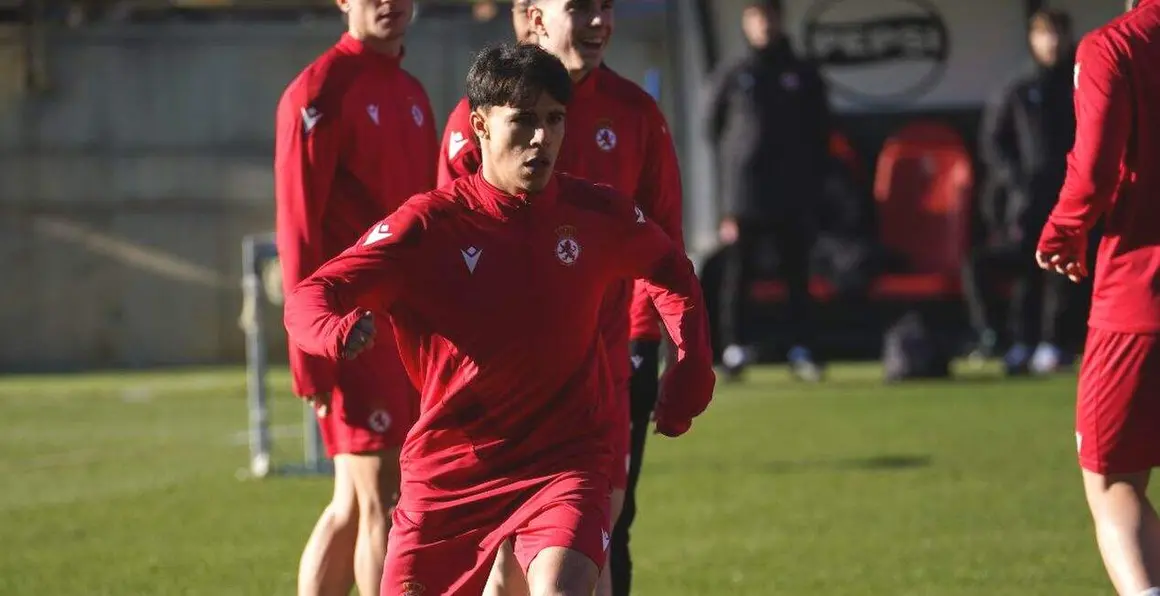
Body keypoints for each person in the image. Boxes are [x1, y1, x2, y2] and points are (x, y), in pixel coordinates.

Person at [283, 43, 716, 596]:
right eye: (525, 121)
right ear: (481, 125)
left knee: (562, 588)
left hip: (564, 462)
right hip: (450, 472)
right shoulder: (429, 225)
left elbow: (672, 270)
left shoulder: (596, 213)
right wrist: (333, 331)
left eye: (555, 120)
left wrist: (690, 371)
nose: (543, 138)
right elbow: (313, 293)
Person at [437, 2, 686, 595]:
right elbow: (445, 255)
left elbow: (666, 245)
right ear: (534, 15)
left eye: (607, 6)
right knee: (506, 570)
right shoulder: (477, 119)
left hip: (608, 369)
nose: (599, 21)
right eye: (580, 7)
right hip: (504, 391)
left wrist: (679, 345)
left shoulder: (635, 112)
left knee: (598, 539)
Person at [273, 0, 437, 593]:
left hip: (406, 331)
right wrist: (310, 353)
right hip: (353, 332)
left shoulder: (414, 93)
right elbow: (297, 232)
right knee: (383, 502)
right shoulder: (317, 93)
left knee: (354, 500)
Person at [1035, 0, 1160, 594]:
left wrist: (1062, 230)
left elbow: (1094, 168)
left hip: (1140, 298)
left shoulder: (1115, 46)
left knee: (1113, 482)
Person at [705, 0, 830, 382]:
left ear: (780, 20)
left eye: (770, 17)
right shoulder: (734, 73)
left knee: (797, 274)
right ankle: (734, 349)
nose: (764, 25)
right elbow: (713, 129)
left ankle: (802, 349)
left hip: (792, 193)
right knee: (738, 275)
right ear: (746, 23)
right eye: (756, 18)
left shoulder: (802, 72)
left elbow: (820, 130)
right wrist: (728, 202)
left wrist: (811, 186)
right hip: (746, 194)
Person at [964, 8, 1076, 375]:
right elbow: (994, 145)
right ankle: (1014, 341)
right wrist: (1016, 182)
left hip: (1071, 200)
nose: (1053, 42)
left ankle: (1054, 343)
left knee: (1061, 274)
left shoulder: (1082, 85)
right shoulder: (1018, 90)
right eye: (1045, 34)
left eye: (1058, 33)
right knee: (1022, 271)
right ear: (1032, 39)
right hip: (1025, 206)